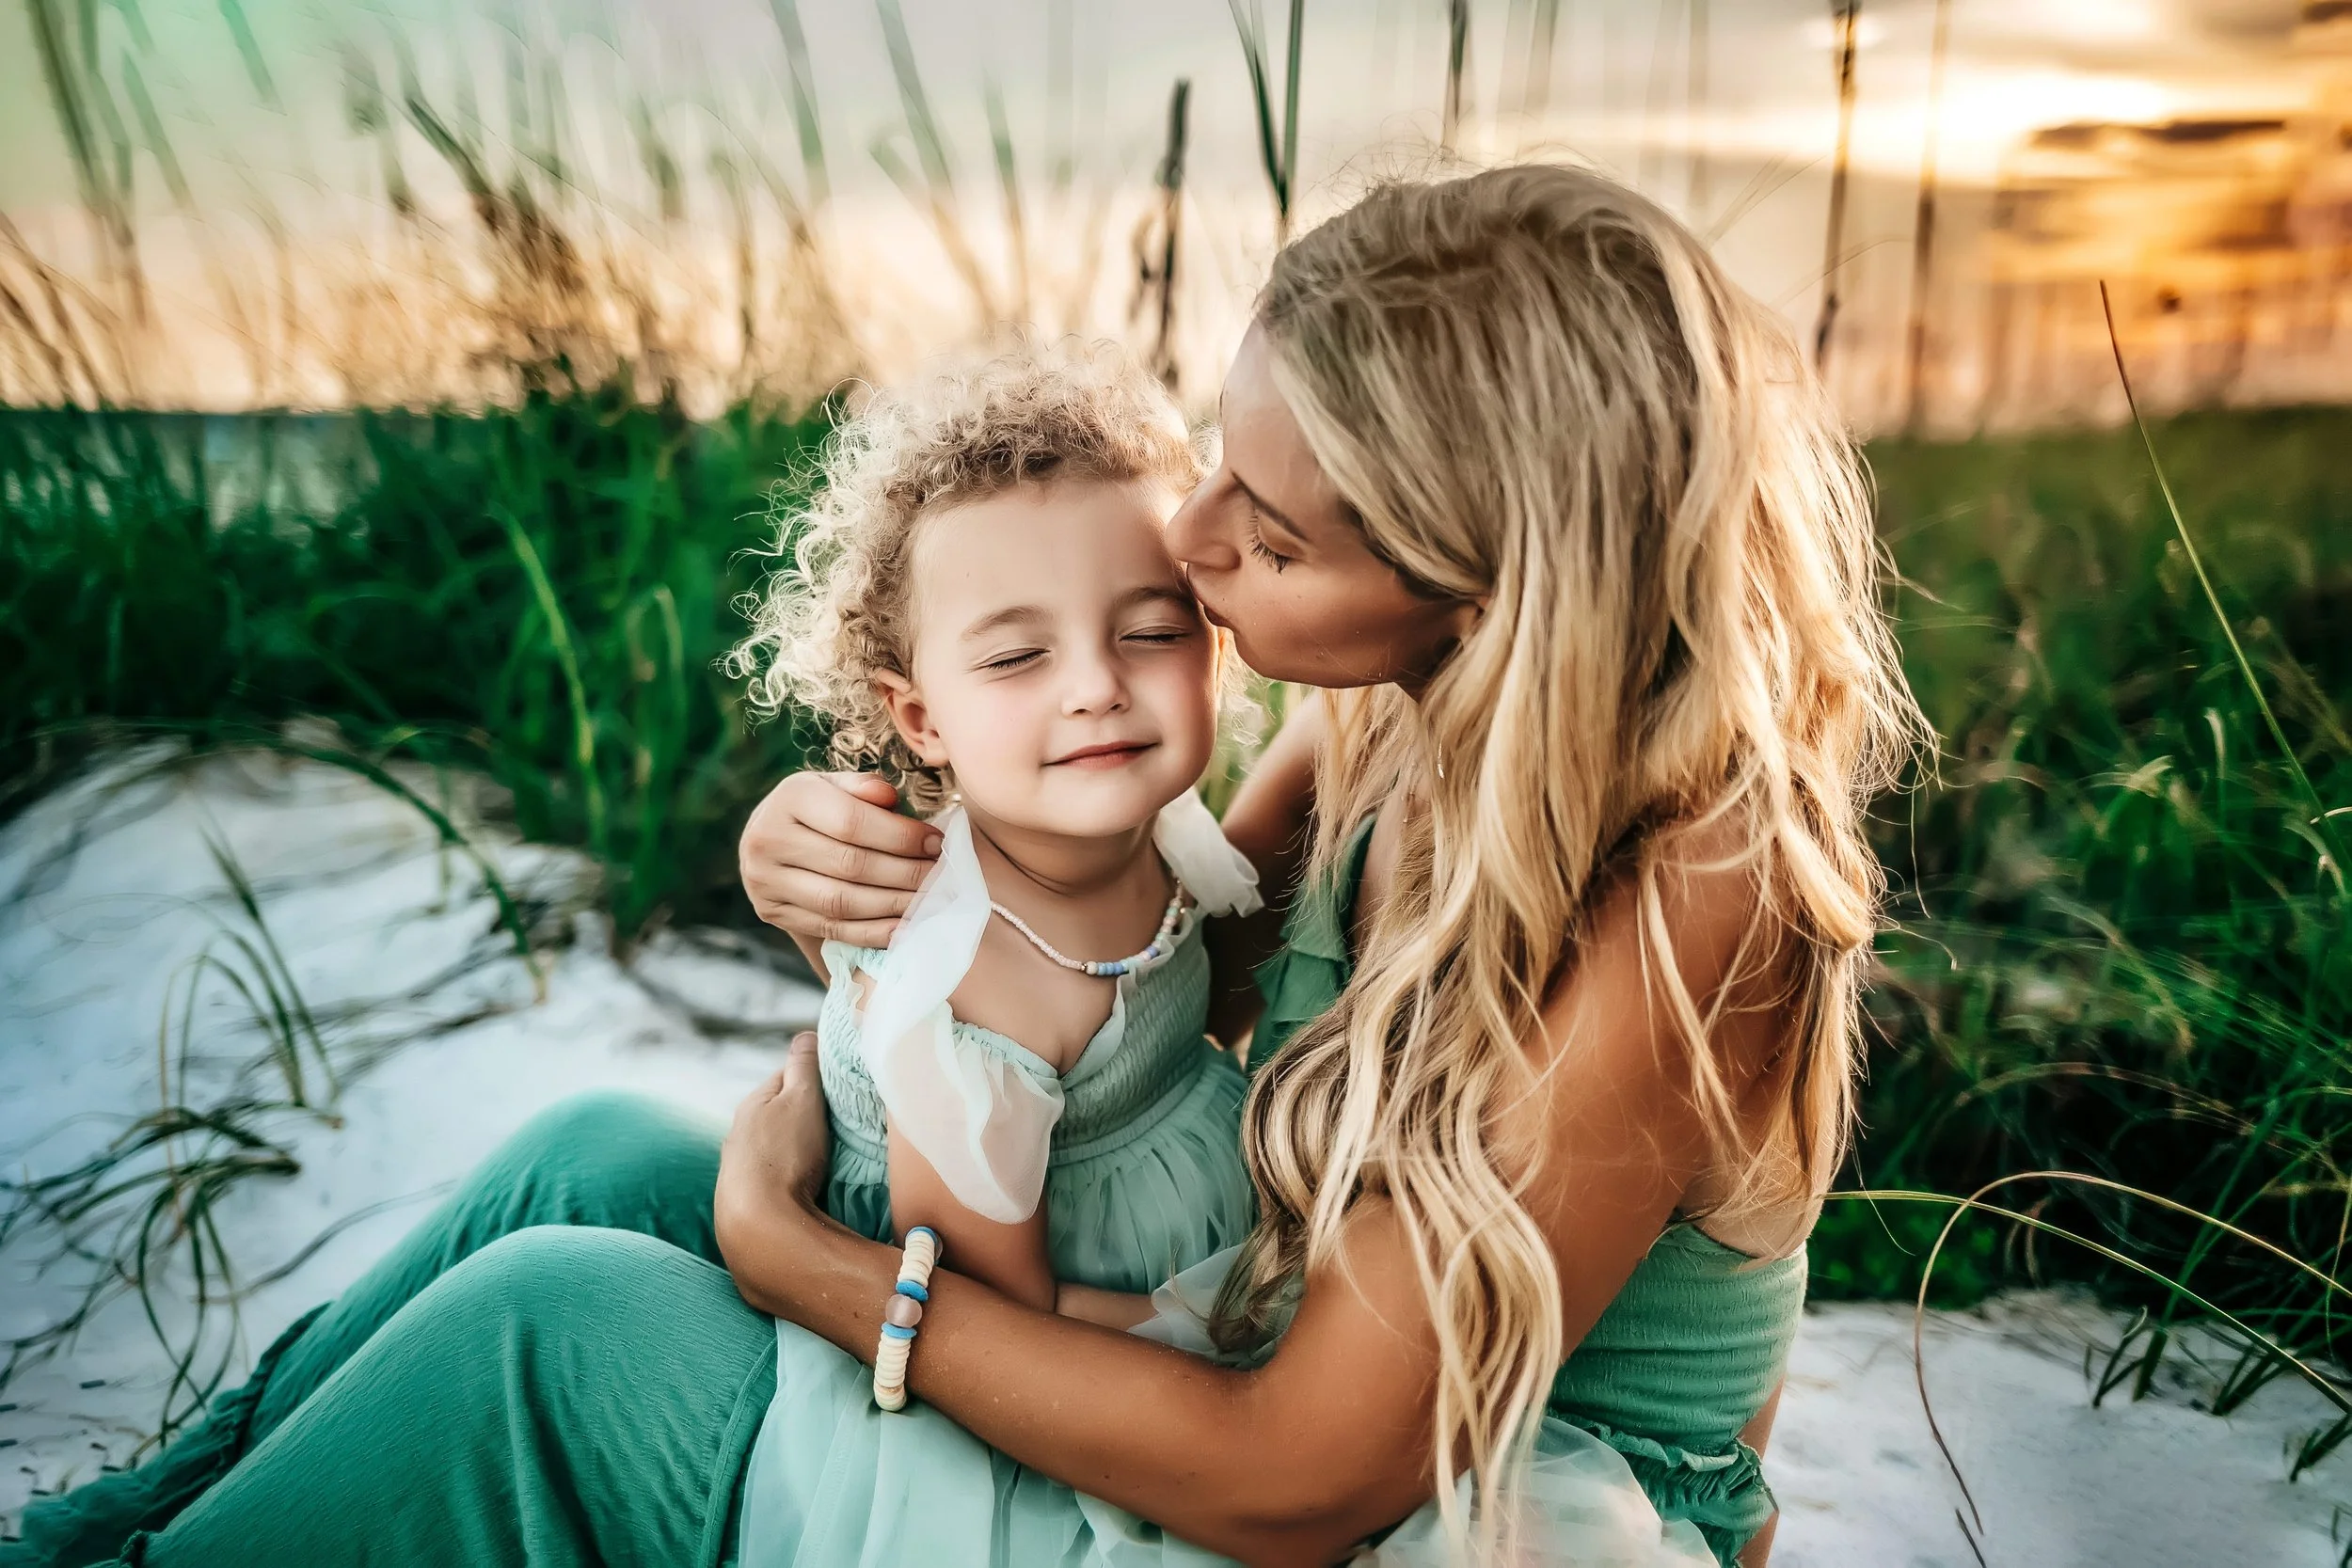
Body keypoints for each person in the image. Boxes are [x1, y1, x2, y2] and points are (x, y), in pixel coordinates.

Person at [8, 164, 1920, 1568]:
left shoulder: (1705, 887)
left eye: (1269, 522)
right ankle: (133, 1519)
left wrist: (811, 1267)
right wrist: (848, 857)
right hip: (1274, 1337)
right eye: (1219, 458)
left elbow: (1296, 1472)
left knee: (557, 1334)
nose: (1190, 526)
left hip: (1475, 1497)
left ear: (1501, 586)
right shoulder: (1401, 709)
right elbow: (1133, 957)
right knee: (587, 1154)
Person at [721, 342, 1264, 1327]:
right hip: (1062, 1340)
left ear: (1216, 652)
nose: (1097, 685)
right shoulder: (965, 984)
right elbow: (996, 1322)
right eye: (1018, 655)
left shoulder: (1165, 833)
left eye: (1151, 632)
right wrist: (1233, 1328)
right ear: (920, 718)